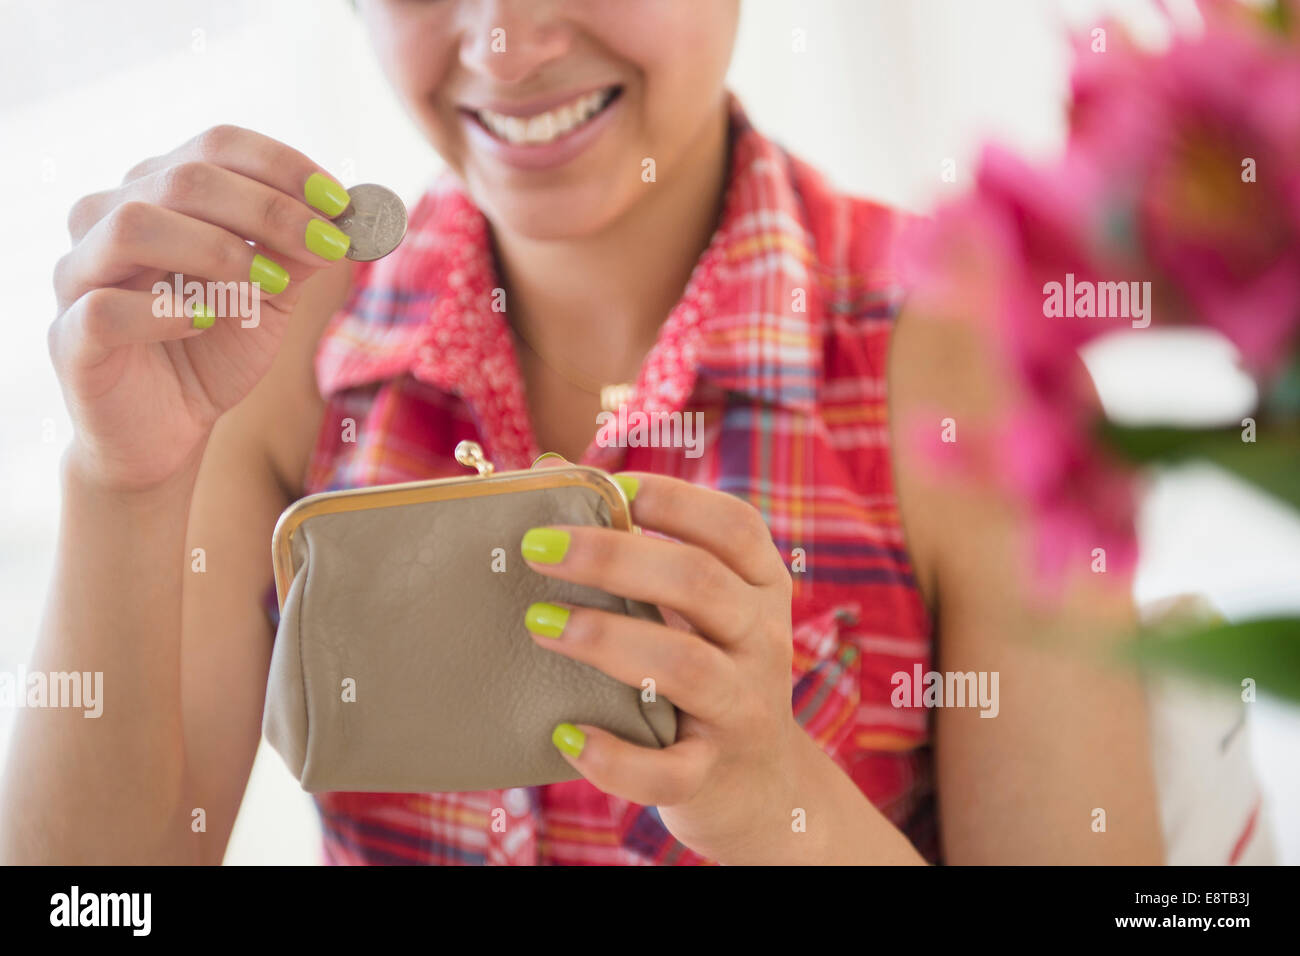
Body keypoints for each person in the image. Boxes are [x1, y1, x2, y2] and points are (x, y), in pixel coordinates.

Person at [2, 0, 1162, 865]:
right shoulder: (269, 347)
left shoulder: (979, 361)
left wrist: (771, 801)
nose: (503, 45)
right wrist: (122, 481)